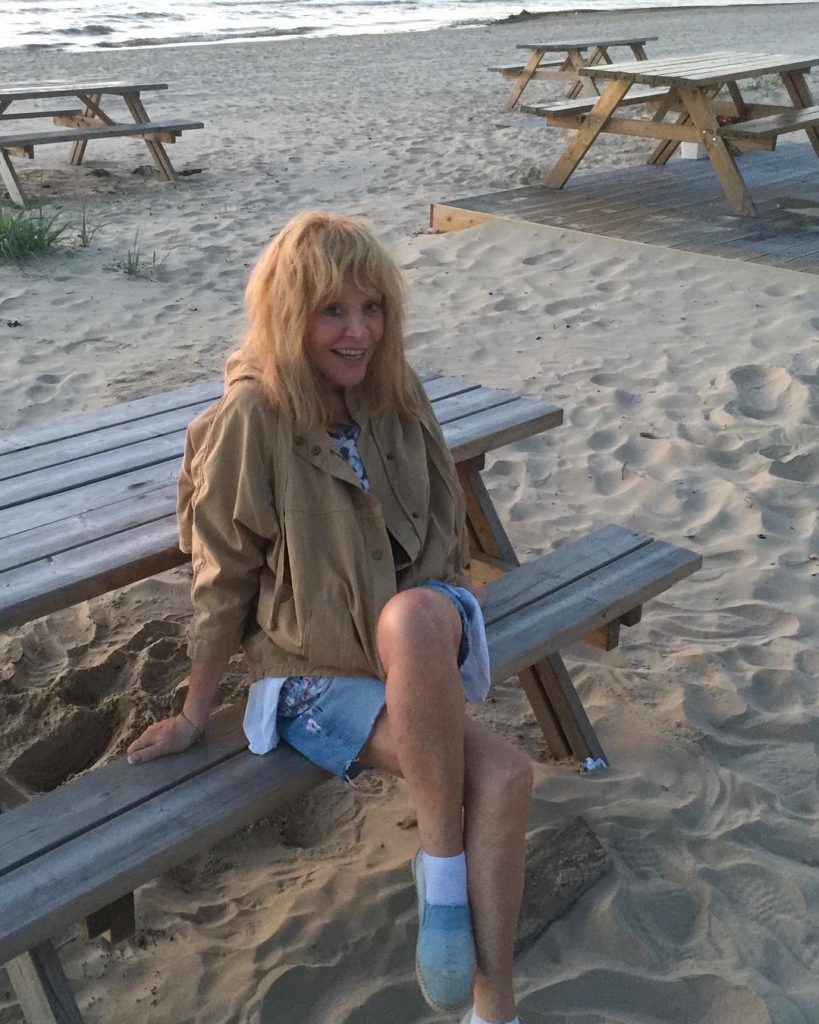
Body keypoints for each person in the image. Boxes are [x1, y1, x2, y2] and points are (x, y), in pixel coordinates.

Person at [127, 210, 533, 1024]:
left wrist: (454, 584)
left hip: (417, 638)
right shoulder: (251, 419)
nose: (359, 332)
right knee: (502, 777)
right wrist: (195, 712)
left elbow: (445, 513)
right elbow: (222, 575)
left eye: (372, 307)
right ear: (289, 315)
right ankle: (483, 980)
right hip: (313, 670)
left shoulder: (394, 391)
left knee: (414, 618)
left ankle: (459, 931)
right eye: (332, 311)